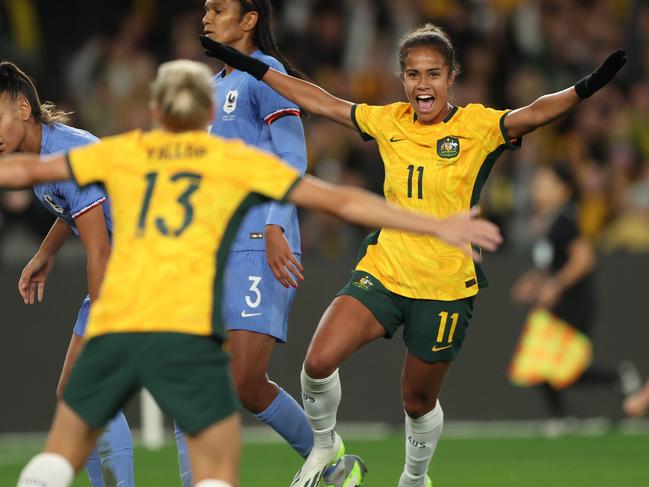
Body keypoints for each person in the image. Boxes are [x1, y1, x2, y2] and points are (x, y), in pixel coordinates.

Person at [4, 59, 502, 487]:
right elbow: (342, 201)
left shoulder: (128, 152)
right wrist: (434, 222)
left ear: (157, 114)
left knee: (90, 406)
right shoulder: (233, 162)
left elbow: (32, 174)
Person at [199, 23, 627, 487]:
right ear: (402, 79)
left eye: (433, 74)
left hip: (444, 284)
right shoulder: (389, 121)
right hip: (385, 268)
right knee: (318, 362)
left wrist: (585, 88)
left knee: (416, 401)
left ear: (451, 77)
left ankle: (414, 477)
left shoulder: (477, 126)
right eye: (413, 74)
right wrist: (250, 65)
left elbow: (534, 113)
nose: (423, 84)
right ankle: (323, 447)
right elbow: (319, 101)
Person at [179, 2, 365, 486]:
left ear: (249, 20)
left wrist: (277, 226)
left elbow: (292, 155)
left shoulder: (268, 75)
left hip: (260, 241)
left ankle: (328, 453)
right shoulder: (214, 88)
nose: (206, 16)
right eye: (204, 9)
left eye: (218, 8)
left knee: (244, 380)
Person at [0, 61, 135, 487]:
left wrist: (104, 321)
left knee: (90, 391)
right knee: (73, 393)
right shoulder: (41, 152)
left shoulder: (65, 153)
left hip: (135, 268)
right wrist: (46, 252)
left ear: (23, 109)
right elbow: (76, 212)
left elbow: (99, 246)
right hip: (120, 266)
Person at [510, 163, 640, 428]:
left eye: (545, 182)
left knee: (547, 363)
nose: (537, 188)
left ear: (564, 190)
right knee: (548, 364)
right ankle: (612, 382)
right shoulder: (551, 223)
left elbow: (584, 258)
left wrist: (555, 285)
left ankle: (565, 414)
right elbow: (554, 263)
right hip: (558, 305)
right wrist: (534, 281)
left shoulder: (565, 220)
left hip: (572, 305)